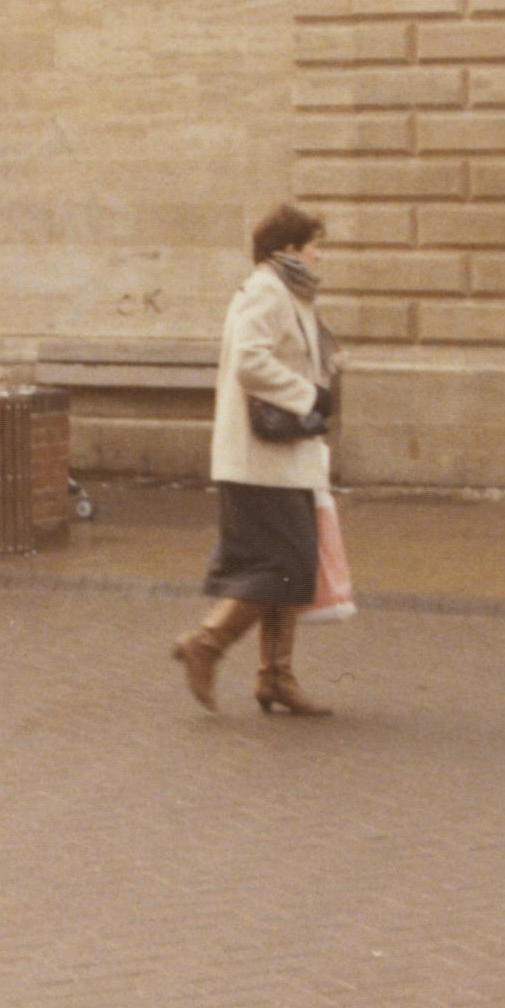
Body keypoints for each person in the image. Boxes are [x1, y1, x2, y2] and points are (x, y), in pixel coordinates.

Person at [172, 204, 340, 719]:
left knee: (291, 567)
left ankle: (275, 677)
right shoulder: (267, 289)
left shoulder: (288, 293)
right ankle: (208, 643)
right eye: (312, 244)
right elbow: (249, 358)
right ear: (287, 249)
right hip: (258, 458)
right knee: (281, 566)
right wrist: (306, 394)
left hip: (280, 459)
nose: (318, 253)